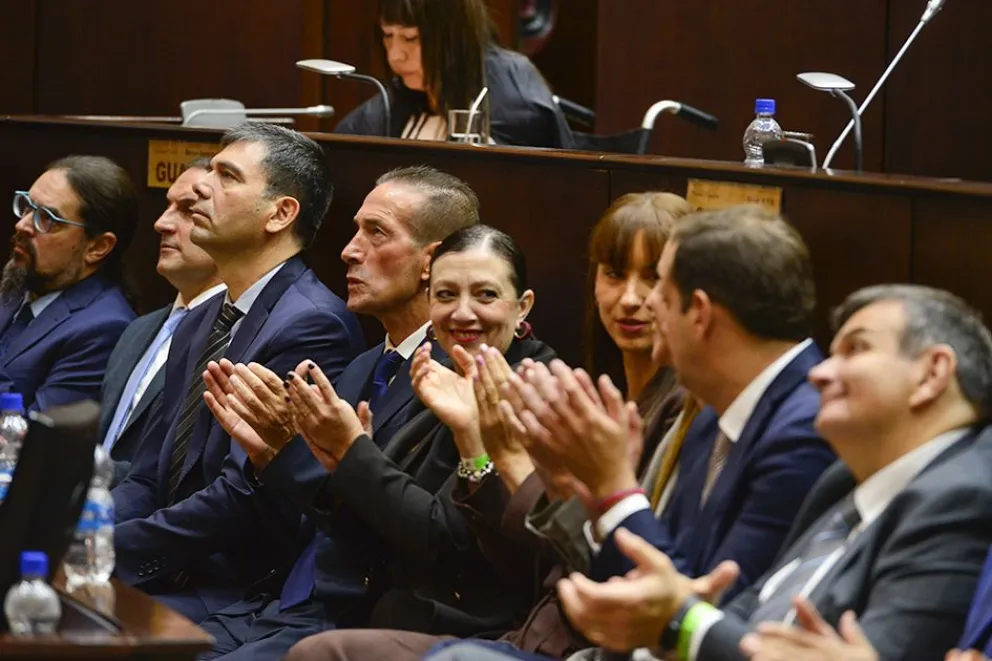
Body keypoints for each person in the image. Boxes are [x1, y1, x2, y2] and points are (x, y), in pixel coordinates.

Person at [550, 284, 992, 661]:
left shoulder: (962, 499)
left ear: (933, 373)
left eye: (855, 348)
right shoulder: (842, 480)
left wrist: (681, 621)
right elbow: (748, 611)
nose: (819, 372)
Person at [185, 165, 480, 659]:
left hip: (351, 619)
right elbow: (306, 520)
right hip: (272, 602)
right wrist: (272, 455)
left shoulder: (457, 384)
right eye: (356, 229)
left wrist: (301, 455)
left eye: (377, 232)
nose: (349, 250)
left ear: (432, 262)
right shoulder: (364, 366)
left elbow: (418, 541)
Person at [244, 225, 550, 660]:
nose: (463, 313)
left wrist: (356, 456)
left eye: (485, 295)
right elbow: (371, 531)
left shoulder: (534, 389)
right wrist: (296, 457)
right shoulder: (439, 371)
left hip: (465, 629)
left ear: (522, 307)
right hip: (364, 607)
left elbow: (448, 546)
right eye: (445, 296)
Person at [508, 206, 836, 602]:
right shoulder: (713, 411)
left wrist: (614, 488)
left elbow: (710, 611)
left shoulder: (806, 432)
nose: (642, 302)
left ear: (697, 312)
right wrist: (584, 492)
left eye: (659, 286)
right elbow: (655, 573)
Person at [111, 123, 364, 623]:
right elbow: (147, 474)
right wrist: (87, 536)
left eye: (227, 176)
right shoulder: (202, 317)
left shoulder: (313, 324)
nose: (203, 185)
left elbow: (244, 498)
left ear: (280, 213)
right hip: (172, 566)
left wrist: (109, 552)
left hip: (236, 591)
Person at [99, 158, 226, 487]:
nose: (161, 223)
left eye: (187, 211)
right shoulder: (137, 330)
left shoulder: (228, 340)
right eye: (168, 206)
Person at [336, 0, 572, 148]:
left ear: (452, 38)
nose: (395, 55)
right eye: (388, 36)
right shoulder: (394, 104)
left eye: (410, 38)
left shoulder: (513, 91)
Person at [2, 155, 137, 411]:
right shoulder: (18, 285)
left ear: (97, 247)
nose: (22, 225)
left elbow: (35, 438)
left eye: (47, 219)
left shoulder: (104, 329)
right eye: (27, 207)